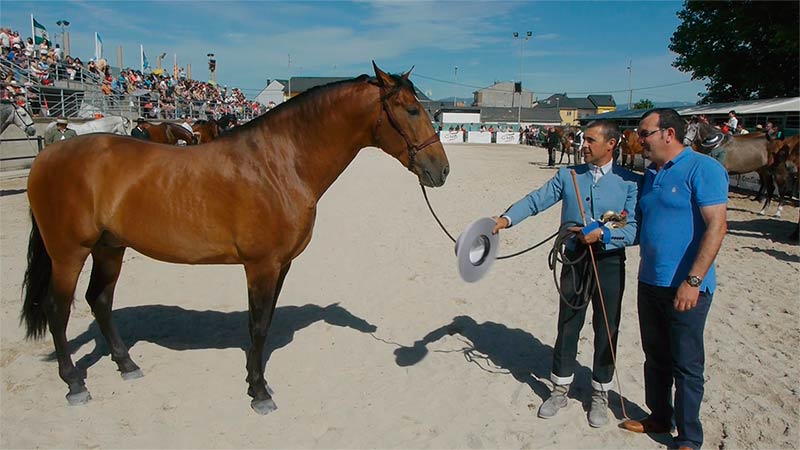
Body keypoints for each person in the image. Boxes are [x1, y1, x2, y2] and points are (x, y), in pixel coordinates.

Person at [493, 119, 639, 428]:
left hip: (609, 262)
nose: (582, 145)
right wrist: (505, 219)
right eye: (583, 140)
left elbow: (633, 227)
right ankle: (559, 389)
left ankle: (600, 393)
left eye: (590, 140)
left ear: (610, 144)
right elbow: (536, 200)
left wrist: (604, 235)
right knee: (568, 323)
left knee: (607, 326)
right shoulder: (568, 175)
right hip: (574, 258)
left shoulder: (630, 182)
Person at [620, 108, 728, 450]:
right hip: (649, 281)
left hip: (687, 287)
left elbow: (717, 226)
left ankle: (690, 438)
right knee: (655, 356)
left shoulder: (704, 168)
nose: (639, 140)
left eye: (644, 133)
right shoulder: (651, 174)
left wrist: (693, 281)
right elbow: (639, 226)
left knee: (686, 364)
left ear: (669, 134)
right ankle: (659, 416)